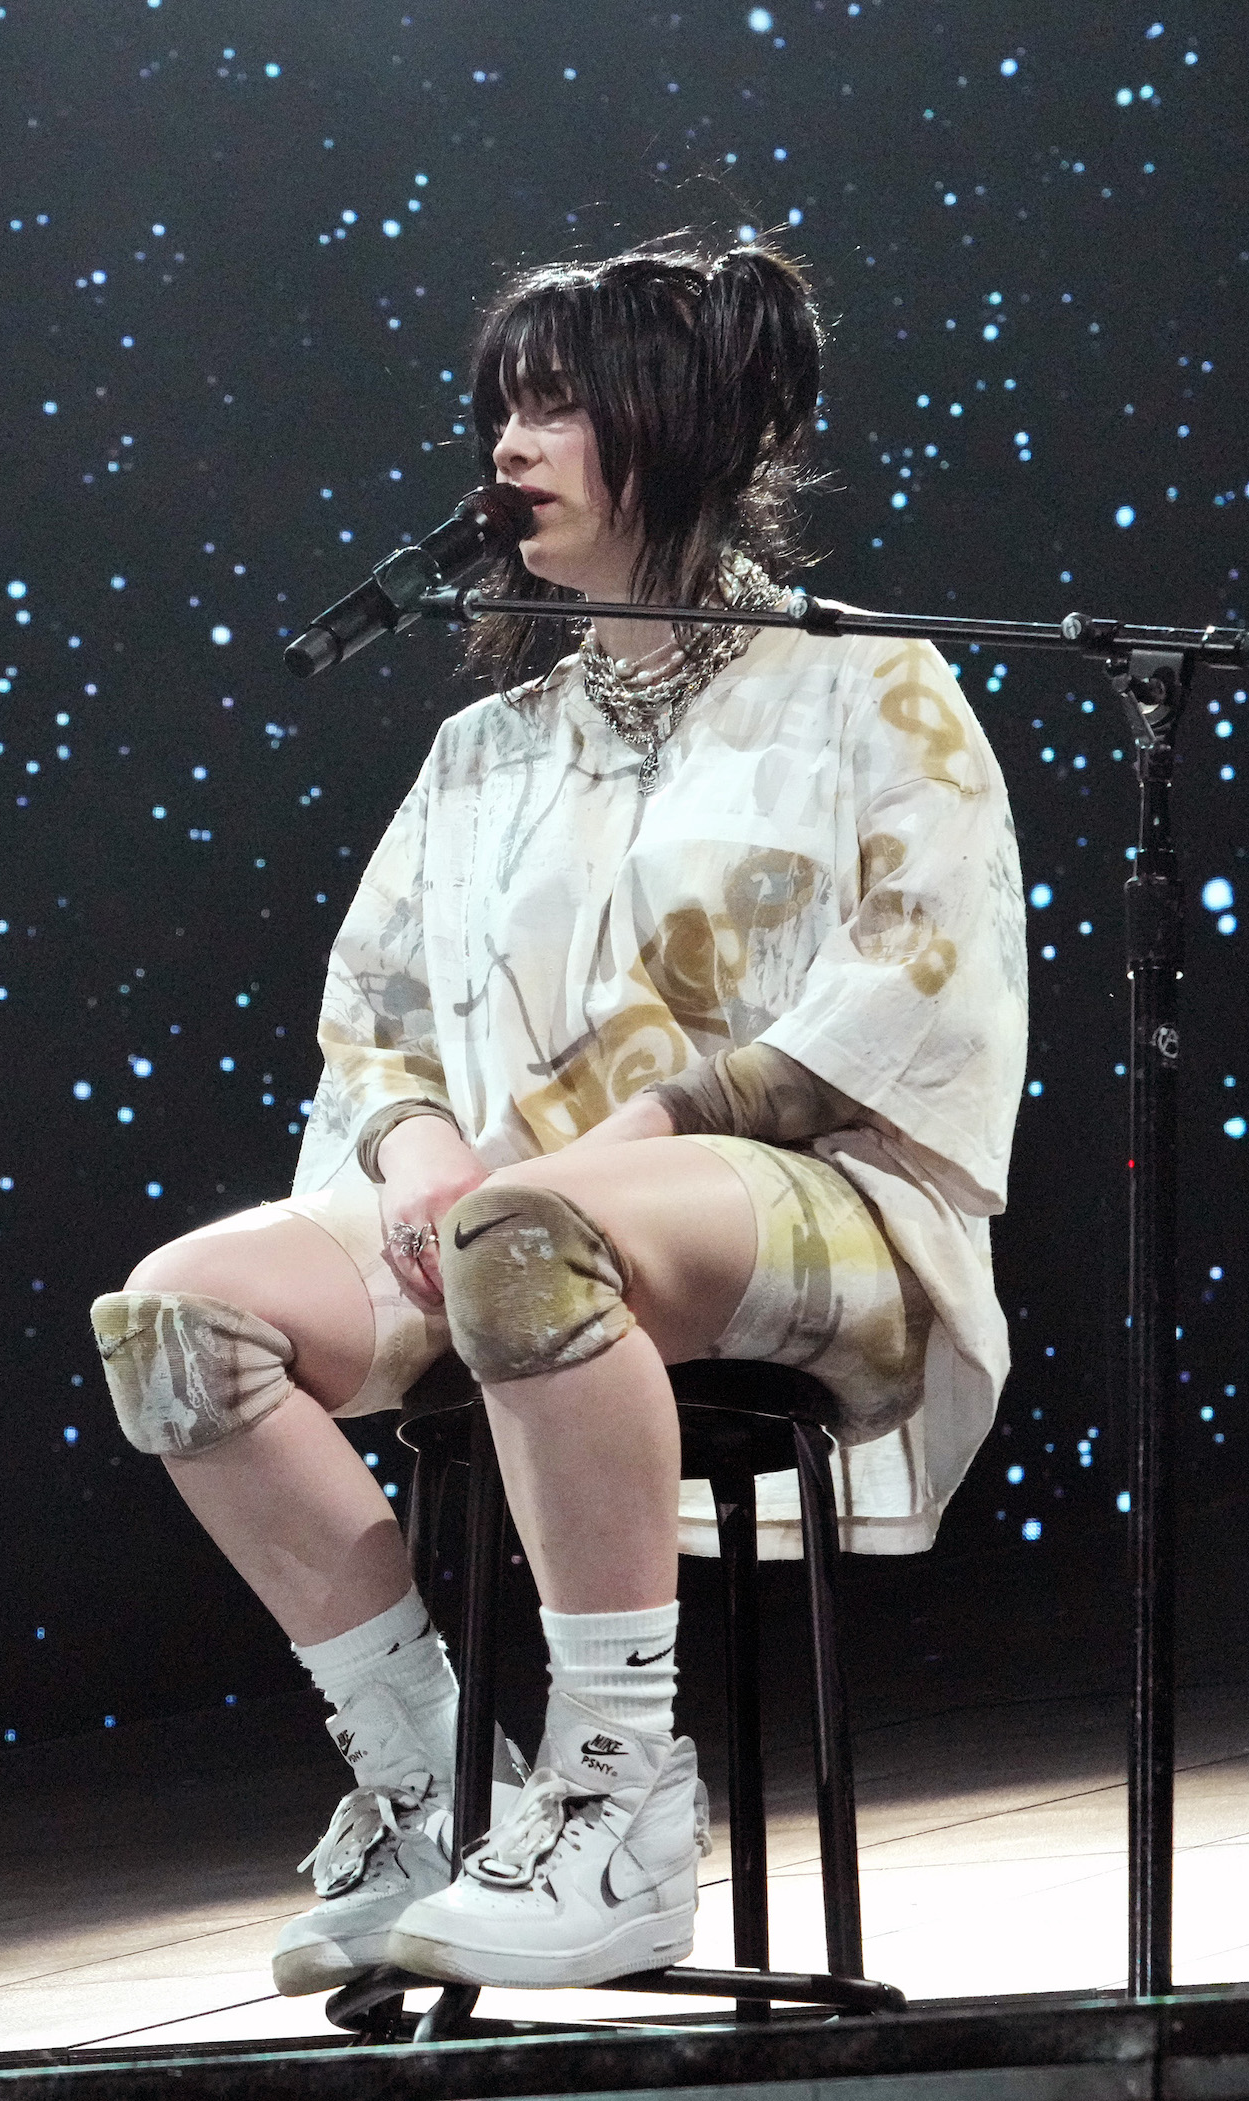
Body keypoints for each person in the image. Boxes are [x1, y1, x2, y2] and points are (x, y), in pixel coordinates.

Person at [91, 238, 1026, 1996]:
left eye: (555, 409)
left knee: (532, 1233)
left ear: (682, 428)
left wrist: (616, 1142)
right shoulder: (483, 752)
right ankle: (428, 1780)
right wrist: (418, 1153)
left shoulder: (865, 685)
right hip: (511, 1215)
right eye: (499, 412)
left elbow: (906, 988)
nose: (506, 449)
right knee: (176, 1317)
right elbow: (372, 1017)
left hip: (802, 1195)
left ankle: (619, 1797)